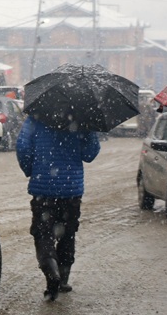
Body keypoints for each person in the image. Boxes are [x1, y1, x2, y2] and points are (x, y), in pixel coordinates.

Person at [15, 112, 101, 302]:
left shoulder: (36, 117)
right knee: (67, 234)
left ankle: (51, 271)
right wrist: (89, 130)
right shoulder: (82, 116)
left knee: (43, 233)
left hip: (43, 189)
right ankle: (63, 279)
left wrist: (31, 169)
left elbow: (22, 146)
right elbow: (90, 154)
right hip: (71, 190)